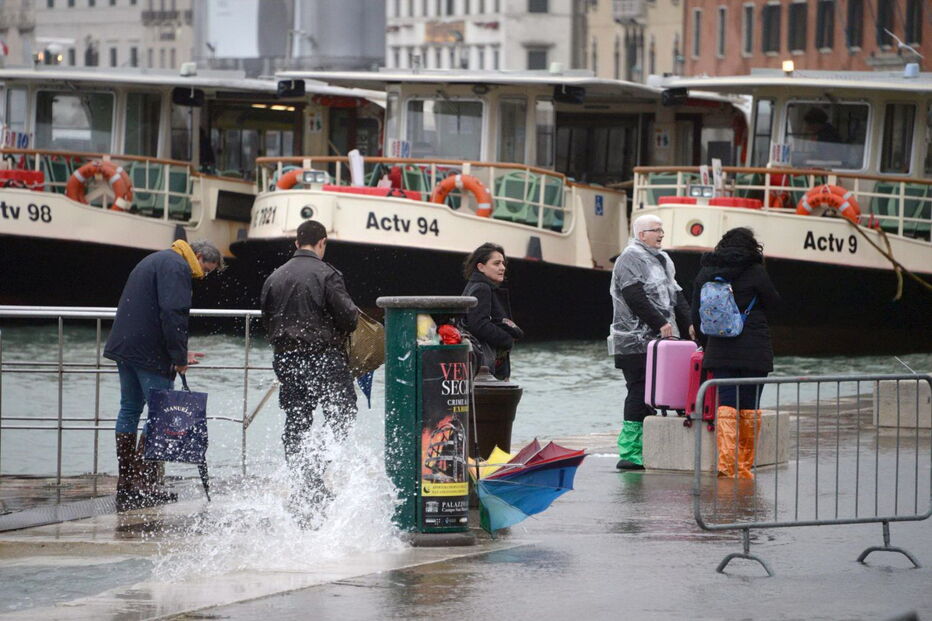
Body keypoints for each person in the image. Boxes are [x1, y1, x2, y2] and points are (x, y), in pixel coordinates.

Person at [104, 239, 222, 512]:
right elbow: (173, 313)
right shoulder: (178, 266)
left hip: (125, 347)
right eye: (207, 269)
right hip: (149, 353)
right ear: (199, 255)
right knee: (158, 415)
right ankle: (144, 485)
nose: (203, 276)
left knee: (129, 409)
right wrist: (179, 358)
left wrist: (179, 352)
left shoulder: (155, 260)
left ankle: (127, 482)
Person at [261, 220, 359, 510]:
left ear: (296, 243)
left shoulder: (274, 277)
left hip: (286, 358)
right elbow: (349, 319)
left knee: (296, 421)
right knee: (342, 414)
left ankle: (302, 482)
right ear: (322, 243)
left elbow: (267, 319)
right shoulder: (328, 275)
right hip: (323, 357)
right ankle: (315, 475)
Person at [690, 227, 781, 479]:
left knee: (726, 405)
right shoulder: (755, 271)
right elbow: (774, 302)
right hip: (754, 349)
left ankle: (726, 465)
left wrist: (705, 343)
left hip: (719, 348)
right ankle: (743, 466)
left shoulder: (706, 272)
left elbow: (696, 313)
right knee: (750, 407)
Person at [609, 214, 694, 471]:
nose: (660, 234)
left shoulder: (663, 259)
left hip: (663, 340)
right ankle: (631, 452)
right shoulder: (629, 258)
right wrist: (659, 322)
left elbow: (676, 293)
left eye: (661, 230)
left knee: (662, 390)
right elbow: (633, 294)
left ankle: (652, 447)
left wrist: (689, 322)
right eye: (654, 230)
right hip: (634, 341)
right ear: (641, 234)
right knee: (638, 389)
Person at [461, 242, 523, 381]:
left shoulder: (473, 286)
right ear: (481, 267)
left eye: (503, 263)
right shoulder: (482, 288)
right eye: (496, 263)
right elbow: (478, 324)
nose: (502, 268)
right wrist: (507, 340)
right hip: (487, 368)